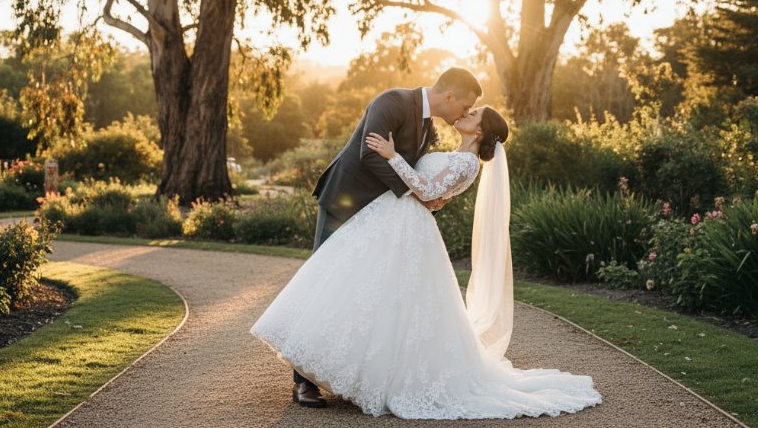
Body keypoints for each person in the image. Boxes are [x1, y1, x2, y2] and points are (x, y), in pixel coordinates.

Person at [251, 105, 602, 419]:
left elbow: (428, 192)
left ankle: (370, 376)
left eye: (473, 113)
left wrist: (391, 155)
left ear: (479, 131)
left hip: (407, 228)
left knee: (390, 299)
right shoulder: (455, 155)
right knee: (362, 289)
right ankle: (325, 371)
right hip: (391, 219)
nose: (465, 113)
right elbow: (432, 193)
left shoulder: (467, 163)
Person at [283, 68, 482, 407]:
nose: (463, 114)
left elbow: (421, 171)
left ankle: (340, 369)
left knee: (361, 291)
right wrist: (414, 193)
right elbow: (369, 152)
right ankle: (303, 381)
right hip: (346, 201)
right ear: (448, 96)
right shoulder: (393, 101)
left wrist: (433, 196)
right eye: (464, 106)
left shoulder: (428, 124)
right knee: (325, 282)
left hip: (380, 214)